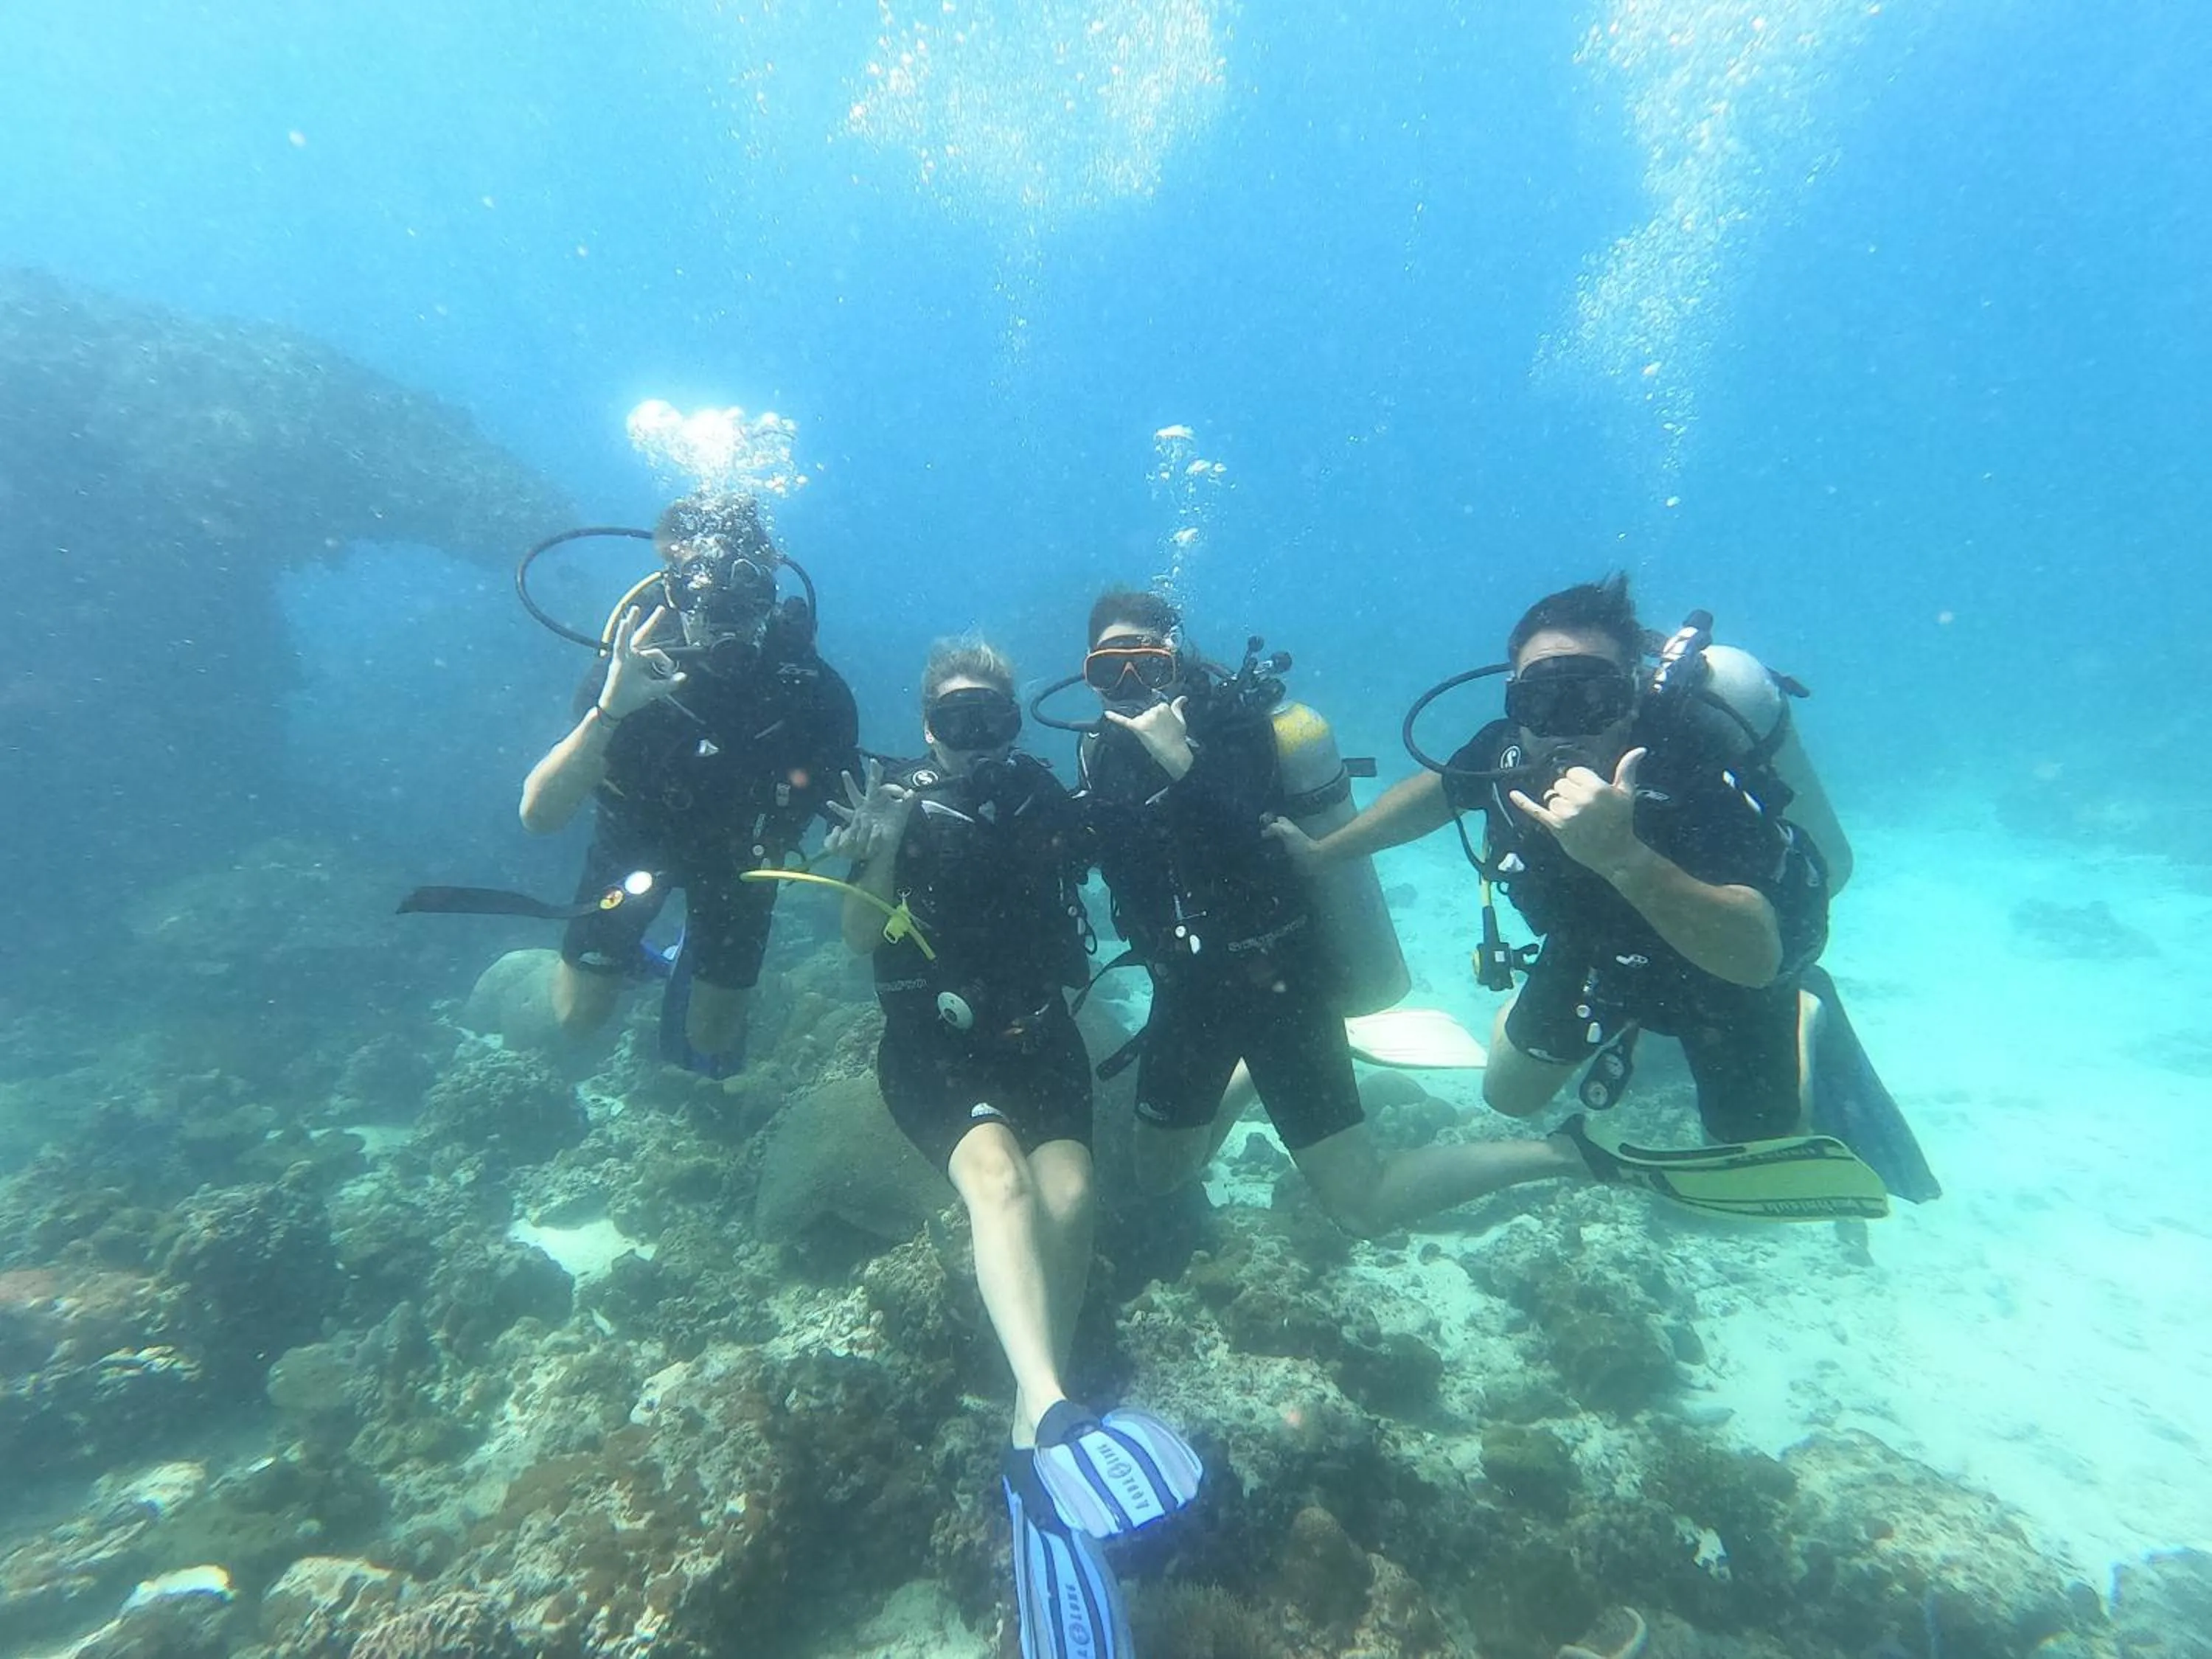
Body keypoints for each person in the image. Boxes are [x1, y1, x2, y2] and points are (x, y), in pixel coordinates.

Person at [826, 639, 1200, 1659]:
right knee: (1000, 1184)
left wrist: (1174, 779)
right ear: (926, 722)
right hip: (932, 1047)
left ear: (1013, 719)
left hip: (1041, 1037)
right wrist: (882, 845)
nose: (980, 736)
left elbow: (1128, 852)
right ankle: (1043, 1408)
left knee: (1073, 1196)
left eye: (994, 715)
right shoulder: (896, 799)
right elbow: (859, 941)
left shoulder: (1041, 791)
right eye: (958, 719)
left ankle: (1041, 1398)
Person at [1272, 574, 1853, 1166]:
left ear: (1631, 697)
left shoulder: (1693, 773)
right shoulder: (1511, 754)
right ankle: (1630, 1030)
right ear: (1515, 700)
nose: (1565, 726)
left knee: (1757, 1143)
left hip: (1725, 972)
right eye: (1541, 700)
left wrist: (1623, 857)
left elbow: (1755, 960)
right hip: (1600, 951)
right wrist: (1328, 853)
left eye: (1592, 698)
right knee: (1508, 1096)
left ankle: (1803, 1012)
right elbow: (1441, 792)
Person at [1075, 589, 1590, 1237]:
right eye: (1107, 669)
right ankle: (1247, 1079)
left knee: (1360, 1204)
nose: (1127, 685)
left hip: (1283, 983)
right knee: (1161, 1174)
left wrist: (1181, 759)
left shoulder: (1235, 727)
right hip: (1186, 989)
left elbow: (1272, 856)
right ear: (1087, 671)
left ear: (1173, 660)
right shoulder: (1100, 751)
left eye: (1143, 664)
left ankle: (1565, 1154)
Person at [518, 493, 858, 1074]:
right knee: (578, 1019)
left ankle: (688, 954)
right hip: (633, 844)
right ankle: (648, 959)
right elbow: (540, 815)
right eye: (707, 598)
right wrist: (611, 710)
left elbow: (845, 802)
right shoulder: (631, 662)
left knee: (712, 1039)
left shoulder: (807, 686)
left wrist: (857, 835)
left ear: (772, 582)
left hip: (743, 861)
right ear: (677, 585)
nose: (728, 621)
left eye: (747, 599)